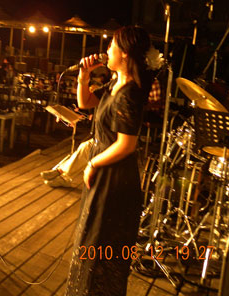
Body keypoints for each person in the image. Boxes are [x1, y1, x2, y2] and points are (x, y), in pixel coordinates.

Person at [64, 26, 156, 296]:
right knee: (92, 238)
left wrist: (93, 163)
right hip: (104, 171)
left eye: (111, 46)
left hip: (115, 178)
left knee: (101, 243)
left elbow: (127, 144)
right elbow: (85, 102)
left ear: (124, 53)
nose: (106, 51)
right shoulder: (115, 83)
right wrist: (84, 77)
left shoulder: (130, 93)